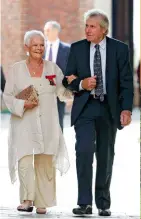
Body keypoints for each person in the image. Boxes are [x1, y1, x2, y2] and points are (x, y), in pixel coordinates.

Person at [63, 9, 133, 216]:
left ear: (104, 29)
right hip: (85, 108)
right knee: (83, 152)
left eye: (92, 26)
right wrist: (82, 84)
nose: (87, 29)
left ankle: (103, 202)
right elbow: (67, 80)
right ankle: (84, 203)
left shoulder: (120, 49)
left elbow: (126, 83)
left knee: (105, 155)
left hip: (109, 109)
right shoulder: (76, 48)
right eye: (86, 25)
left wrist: (126, 109)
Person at [3, 30, 70, 214]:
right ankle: (27, 200)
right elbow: (7, 97)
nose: (39, 48)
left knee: (45, 160)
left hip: (48, 122)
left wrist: (71, 85)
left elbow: (62, 93)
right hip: (24, 121)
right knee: (24, 159)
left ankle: (43, 201)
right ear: (27, 47)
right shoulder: (16, 69)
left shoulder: (53, 68)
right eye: (35, 45)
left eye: (42, 45)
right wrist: (23, 103)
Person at [43, 21, 70, 131]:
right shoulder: (39, 48)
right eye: (45, 30)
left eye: (47, 30)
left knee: (58, 122)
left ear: (55, 31)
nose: (45, 32)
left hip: (59, 91)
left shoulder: (67, 49)